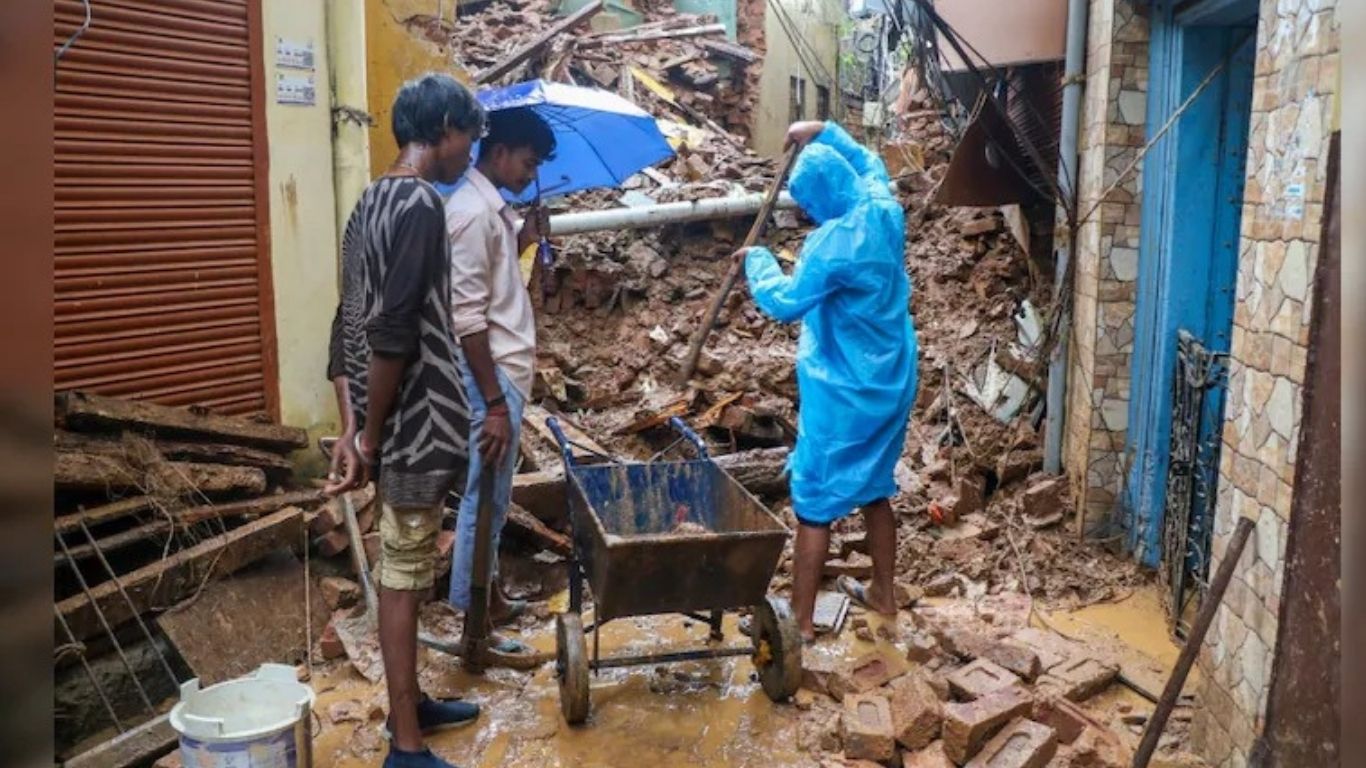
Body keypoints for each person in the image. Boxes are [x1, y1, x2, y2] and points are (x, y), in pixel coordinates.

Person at [325, 73, 486, 768]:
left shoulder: (368, 201)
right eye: (468, 142)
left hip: (390, 422)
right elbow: (389, 334)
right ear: (444, 127)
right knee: (403, 570)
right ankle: (407, 746)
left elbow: (345, 329)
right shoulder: (421, 205)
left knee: (405, 563)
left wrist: (353, 423)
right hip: (416, 423)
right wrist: (370, 433)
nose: (468, 158)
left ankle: (410, 704)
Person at [737, 120, 918, 642]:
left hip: (844, 391)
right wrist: (826, 132)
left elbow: (785, 303)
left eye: (808, 204)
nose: (809, 215)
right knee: (876, 487)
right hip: (892, 376)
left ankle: (799, 621)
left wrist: (759, 261)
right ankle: (883, 593)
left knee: (813, 504)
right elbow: (869, 162)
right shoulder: (882, 206)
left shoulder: (831, 246)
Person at [443, 107, 556, 654]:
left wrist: (524, 240)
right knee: (483, 496)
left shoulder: (493, 215)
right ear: (500, 151)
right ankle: (474, 626)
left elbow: (489, 283)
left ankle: (486, 600)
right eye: (527, 164)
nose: (529, 176)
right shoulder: (472, 214)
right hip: (492, 376)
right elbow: (466, 320)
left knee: (496, 493)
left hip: (505, 372)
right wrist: (491, 401)